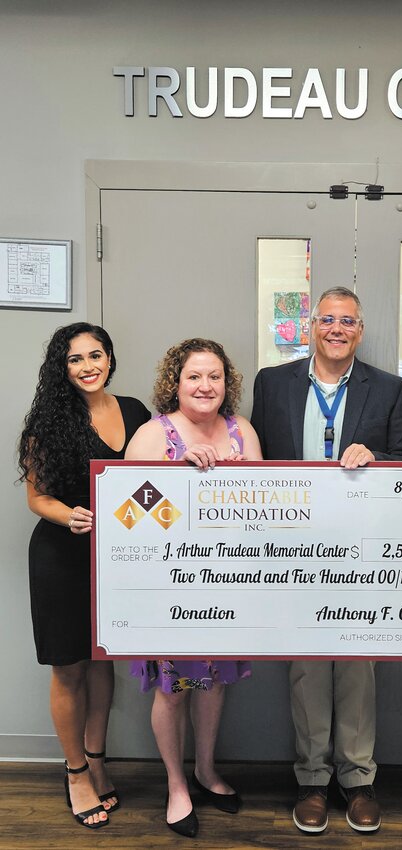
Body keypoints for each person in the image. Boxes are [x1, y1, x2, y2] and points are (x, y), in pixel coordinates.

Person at [251, 285, 402, 834]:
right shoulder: (272, 382)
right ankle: (311, 779)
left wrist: (378, 457)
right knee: (306, 665)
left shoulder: (390, 388)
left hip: (360, 550)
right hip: (292, 548)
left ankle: (358, 778)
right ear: (311, 327)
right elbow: (256, 459)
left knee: (356, 663)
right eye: (327, 319)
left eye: (348, 321)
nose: (337, 329)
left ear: (360, 330)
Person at [125, 338, 262, 839]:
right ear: (174, 383)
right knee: (176, 687)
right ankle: (177, 784)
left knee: (214, 679)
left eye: (215, 377)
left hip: (227, 584)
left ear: (228, 384)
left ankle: (206, 770)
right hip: (171, 591)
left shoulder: (242, 431)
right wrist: (175, 477)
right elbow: (129, 519)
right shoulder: (150, 435)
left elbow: (265, 513)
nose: (205, 386)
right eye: (194, 377)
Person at [18, 322, 151, 830]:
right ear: (63, 367)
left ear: (110, 358)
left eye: (96, 355)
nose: (88, 366)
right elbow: (37, 497)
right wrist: (65, 514)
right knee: (69, 666)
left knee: (103, 662)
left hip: (119, 557)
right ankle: (75, 772)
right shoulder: (48, 421)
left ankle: (97, 759)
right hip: (62, 556)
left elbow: (153, 475)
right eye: (76, 359)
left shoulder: (136, 412)